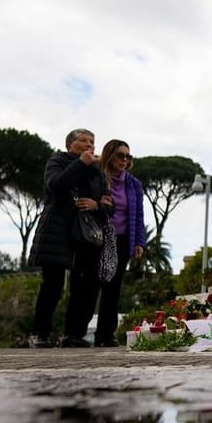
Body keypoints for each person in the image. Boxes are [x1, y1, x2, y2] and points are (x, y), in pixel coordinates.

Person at [28, 128, 113, 348]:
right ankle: (40, 334)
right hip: (57, 232)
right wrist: (80, 164)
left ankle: (74, 334)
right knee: (52, 285)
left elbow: (108, 206)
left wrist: (98, 206)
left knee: (85, 287)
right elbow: (56, 185)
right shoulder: (58, 160)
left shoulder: (98, 171)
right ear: (69, 145)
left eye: (92, 141)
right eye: (83, 141)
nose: (89, 145)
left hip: (86, 235)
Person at [93, 140, 147, 347]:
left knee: (113, 288)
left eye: (128, 156)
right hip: (98, 238)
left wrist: (139, 242)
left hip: (122, 240)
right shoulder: (97, 176)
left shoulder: (133, 184)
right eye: (120, 155)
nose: (125, 160)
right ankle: (75, 333)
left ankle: (106, 334)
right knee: (91, 285)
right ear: (109, 155)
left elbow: (139, 216)